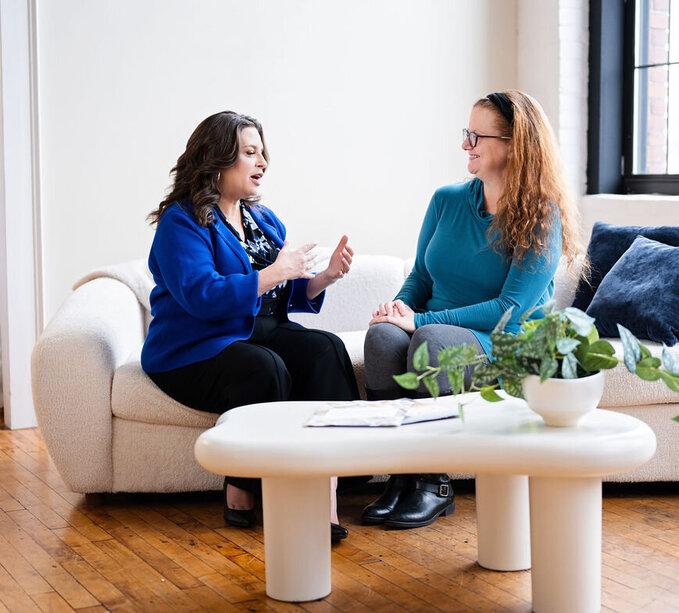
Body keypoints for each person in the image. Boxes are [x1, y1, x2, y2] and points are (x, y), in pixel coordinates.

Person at [361, 90, 584, 529]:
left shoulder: (543, 216)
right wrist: (398, 308)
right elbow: (422, 277)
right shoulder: (446, 199)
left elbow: (511, 309)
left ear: (515, 145)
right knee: (383, 337)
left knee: (431, 341)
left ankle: (433, 484)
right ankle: (401, 477)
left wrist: (420, 320)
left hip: (504, 340)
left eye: (477, 136)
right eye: (467, 133)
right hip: (439, 325)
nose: (466, 144)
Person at [141, 111, 358, 541]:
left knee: (326, 350)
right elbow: (203, 296)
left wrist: (323, 278)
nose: (262, 162)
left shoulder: (263, 220)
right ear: (218, 159)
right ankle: (245, 485)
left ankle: (326, 493)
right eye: (250, 152)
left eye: (263, 153)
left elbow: (280, 296)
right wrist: (276, 272)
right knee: (263, 367)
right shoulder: (182, 222)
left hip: (257, 329)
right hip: (195, 345)